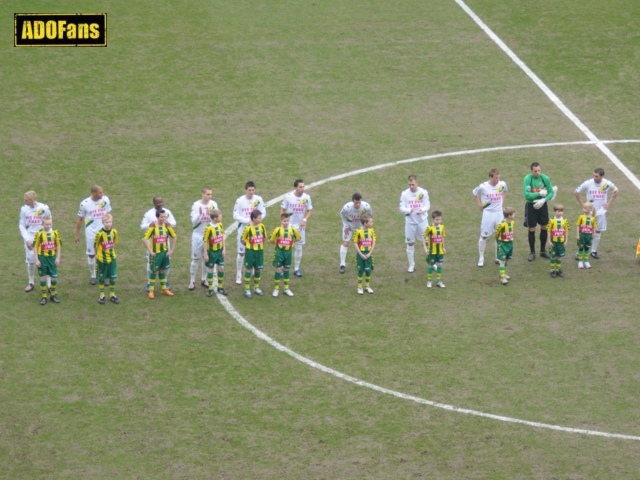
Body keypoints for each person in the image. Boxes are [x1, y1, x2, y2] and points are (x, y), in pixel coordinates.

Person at [573, 168, 619, 259]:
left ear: (602, 176)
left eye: (596, 176)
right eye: (594, 175)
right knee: (585, 231)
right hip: (590, 212)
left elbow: (616, 191)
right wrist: (583, 204)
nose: (594, 177)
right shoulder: (588, 183)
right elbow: (576, 192)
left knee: (598, 231)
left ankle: (593, 251)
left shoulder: (606, 183)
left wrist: (609, 203)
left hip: (601, 212)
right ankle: (579, 252)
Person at [75, 185, 112, 284]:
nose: (102, 194)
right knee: (91, 255)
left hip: (104, 232)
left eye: (102, 192)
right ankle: (93, 275)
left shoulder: (105, 200)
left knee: (105, 254)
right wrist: (77, 234)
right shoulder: (85, 204)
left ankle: (104, 275)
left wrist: (110, 229)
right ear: (94, 193)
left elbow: (108, 215)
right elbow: (80, 219)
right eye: (100, 192)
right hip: (91, 233)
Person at [233, 181, 267, 284]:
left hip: (255, 232)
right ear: (245, 190)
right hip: (243, 230)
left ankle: (252, 270)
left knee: (254, 251)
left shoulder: (258, 199)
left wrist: (257, 220)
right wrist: (247, 220)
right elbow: (235, 215)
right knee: (241, 252)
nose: (251, 192)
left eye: (253, 190)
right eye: (249, 190)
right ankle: (239, 274)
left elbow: (263, 212)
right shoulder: (240, 201)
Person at [472, 168, 507, 267]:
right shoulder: (483, 186)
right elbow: (474, 193)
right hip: (488, 214)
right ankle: (481, 257)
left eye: (499, 177)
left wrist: (502, 201)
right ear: (490, 177)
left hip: (499, 214)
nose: (498, 179)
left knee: (499, 236)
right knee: (484, 236)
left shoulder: (502, 184)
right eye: (496, 178)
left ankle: (497, 257)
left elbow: (505, 191)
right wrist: (479, 205)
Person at [140, 196, 176, 291]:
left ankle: (165, 281)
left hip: (164, 242)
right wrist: (149, 225)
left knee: (166, 263)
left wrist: (169, 224)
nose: (160, 204)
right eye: (158, 203)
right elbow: (142, 226)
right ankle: (149, 283)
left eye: (161, 202)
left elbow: (174, 222)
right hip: (152, 243)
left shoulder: (167, 212)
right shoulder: (149, 214)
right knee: (150, 264)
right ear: (154, 203)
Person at [523, 163, 557, 262]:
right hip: (531, 206)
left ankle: (542, 250)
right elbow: (527, 195)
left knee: (544, 226)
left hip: (542, 205)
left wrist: (544, 199)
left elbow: (551, 192)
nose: (537, 173)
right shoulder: (528, 179)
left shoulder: (545, 178)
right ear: (531, 171)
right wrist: (538, 193)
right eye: (535, 171)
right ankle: (532, 252)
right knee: (532, 228)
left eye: (539, 170)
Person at [19, 191, 52, 292]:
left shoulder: (44, 208)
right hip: (30, 239)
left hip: (42, 238)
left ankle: (49, 285)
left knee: (46, 261)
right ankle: (31, 282)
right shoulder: (24, 209)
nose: (24, 201)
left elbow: (50, 222)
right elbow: (21, 225)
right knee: (31, 262)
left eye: (26, 199)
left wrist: (48, 237)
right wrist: (27, 239)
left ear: (32, 200)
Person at [280, 179, 313, 277]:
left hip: (300, 227)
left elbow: (310, 210)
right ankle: (282, 268)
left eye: (303, 187)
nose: (302, 189)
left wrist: (305, 220)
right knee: (285, 247)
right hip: (289, 226)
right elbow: (282, 209)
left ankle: (296, 269)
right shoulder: (289, 197)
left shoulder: (306, 197)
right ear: (295, 187)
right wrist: (282, 222)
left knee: (299, 247)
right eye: (300, 187)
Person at [399, 175, 430, 273]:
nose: (411, 186)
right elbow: (401, 207)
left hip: (422, 222)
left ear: (417, 183)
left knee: (428, 242)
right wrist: (409, 210)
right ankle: (411, 264)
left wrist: (422, 210)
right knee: (410, 243)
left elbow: (427, 205)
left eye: (413, 184)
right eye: (409, 184)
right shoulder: (404, 194)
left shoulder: (423, 192)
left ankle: (431, 262)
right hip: (410, 223)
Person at [190, 187, 218, 290]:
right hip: (198, 235)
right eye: (208, 194)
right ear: (202, 194)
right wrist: (201, 214)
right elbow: (193, 221)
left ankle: (204, 279)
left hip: (210, 236)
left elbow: (217, 219)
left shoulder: (213, 204)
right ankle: (192, 281)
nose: (209, 197)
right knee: (195, 259)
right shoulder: (196, 205)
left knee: (207, 258)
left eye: (211, 194)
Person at [339, 193, 373, 274]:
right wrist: (346, 225)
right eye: (356, 203)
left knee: (363, 245)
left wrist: (366, 226)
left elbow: (370, 215)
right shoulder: (347, 208)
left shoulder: (366, 207)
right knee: (346, 243)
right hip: (349, 228)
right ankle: (342, 265)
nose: (357, 205)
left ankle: (364, 264)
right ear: (353, 201)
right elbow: (342, 214)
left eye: (359, 202)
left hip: (361, 228)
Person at [270, 213, 301, 297]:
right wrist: (277, 243)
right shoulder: (278, 230)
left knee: (287, 269)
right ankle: (276, 289)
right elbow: (271, 239)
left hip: (288, 252)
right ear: (281, 221)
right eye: (284, 221)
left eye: (287, 221)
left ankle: (286, 288)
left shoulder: (293, 230)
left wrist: (291, 242)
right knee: (279, 269)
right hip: (279, 252)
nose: (286, 222)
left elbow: (298, 238)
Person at [33, 215, 61, 305]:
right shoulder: (39, 233)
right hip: (42, 258)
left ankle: (53, 295)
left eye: (50, 224)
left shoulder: (55, 232)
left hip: (52, 258)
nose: (48, 226)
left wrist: (58, 258)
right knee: (43, 277)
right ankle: (44, 296)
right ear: (42, 224)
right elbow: (35, 247)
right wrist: (36, 260)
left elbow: (58, 245)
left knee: (54, 277)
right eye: (46, 224)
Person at [241, 210, 267, 298]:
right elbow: (242, 239)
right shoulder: (248, 228)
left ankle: (256, 288)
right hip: (250, 252)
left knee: (258, 269)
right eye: (259, 218)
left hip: (259, 251)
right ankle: (247, 289)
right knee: (248, 269)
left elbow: (264, 237)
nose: (260, 219)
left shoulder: (262, 227)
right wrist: (248, 245)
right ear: (253, 218)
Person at [94, 213, 120, 304]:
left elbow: (115, 243)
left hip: (112, 258)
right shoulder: (99, 234)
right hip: (102, 260)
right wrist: (98, 257)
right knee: (101, 278)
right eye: (106, 222)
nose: (108, 224)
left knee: (113, 277)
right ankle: (102, 295)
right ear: (102, 222)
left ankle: (112, 295)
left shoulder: (114, 232)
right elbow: (96, 245)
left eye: (110, 222)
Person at [202, 209, 227, 296]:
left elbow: (222, 236)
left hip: (219, 251)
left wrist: (224, 249)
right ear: (215, 218)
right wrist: (205, 254)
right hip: (211, 252)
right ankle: (210, 289)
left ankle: (220, 287)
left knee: (221, 268)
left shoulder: (220, 225)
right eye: (220, 216)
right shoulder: (208, 228)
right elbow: (205, 241)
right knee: (210, 269)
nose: (221, 217)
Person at [353, 214, 376, 295]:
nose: (372, 223)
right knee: (360, 270)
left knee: (368, 270)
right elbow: (355, 243)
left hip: (369, 254)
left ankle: (367, 286)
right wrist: (360, 254)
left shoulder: (372, 231)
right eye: (370, 222)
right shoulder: (358, 231)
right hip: (361, 254)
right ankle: (359, 287)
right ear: (365, 223)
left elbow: (373, 242)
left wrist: (369, 253)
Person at [423, 210, 446, 288]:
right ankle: (429, 281)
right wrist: (425, 249)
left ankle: (438, 281)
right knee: (430, 265)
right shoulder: (429, 228)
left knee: (440, 264)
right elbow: (424, 237)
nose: (438, 221)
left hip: (439, 251)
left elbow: (442, 237)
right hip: (432, 251)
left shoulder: (442, 227)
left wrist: (443, 247)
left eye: (440, 219)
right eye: (437, 219)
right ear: (433, 219)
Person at [546, 204, 570, 278]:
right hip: (554, 242)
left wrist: (566, 241)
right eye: (558, 211)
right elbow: (549, 231)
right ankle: (552, 270)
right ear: (555, 211)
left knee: (559, 256)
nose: (560, 213)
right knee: (553, 256)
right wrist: (549, 241)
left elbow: (566, 231)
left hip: (561, 242)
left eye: (561, 211)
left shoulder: (565, 221)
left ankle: (558, 269)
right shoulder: (552, 221)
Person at [495, 207, 516, 285]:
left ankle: (503, 273)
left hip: (510, 244)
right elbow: (496, 234)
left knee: (507, 259)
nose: (515, 215)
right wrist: (499, 242)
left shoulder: (512, 223)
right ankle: (502, 277)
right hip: (502, 244)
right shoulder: (501, 224)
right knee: (502, 261)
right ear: (509, 216)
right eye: (514, 214)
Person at [576, 201, 597, 269]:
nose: (584, 209)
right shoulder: (581, 217)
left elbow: (594, 227)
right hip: (582, 235)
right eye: (584, 208)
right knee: (581, 248)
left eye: (585, 208)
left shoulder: (593, 218)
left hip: (589, 236)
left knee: (587, 248)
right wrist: (577, 235)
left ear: (590, 210)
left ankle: (586, 261)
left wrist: (594, 234)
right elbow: (578, 226)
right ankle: (580, 261)